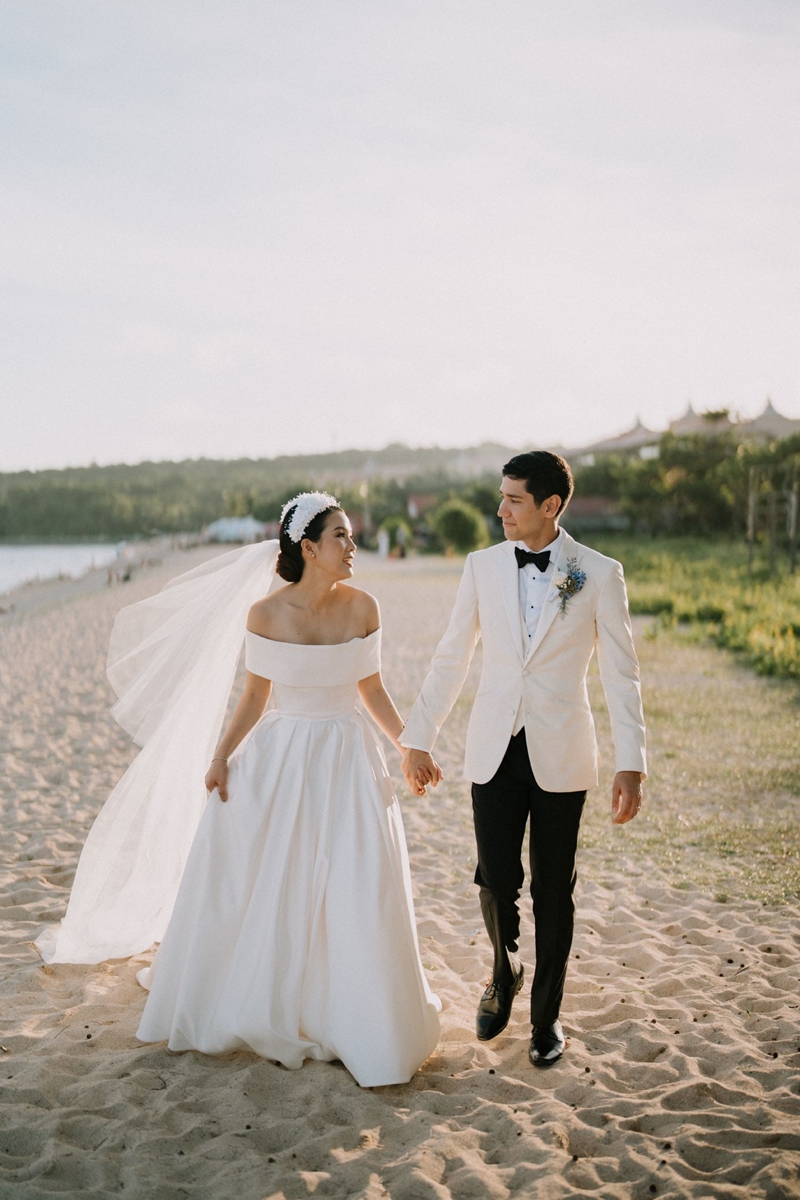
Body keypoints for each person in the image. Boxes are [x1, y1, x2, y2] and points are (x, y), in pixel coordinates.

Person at [36, 492, 440, 1089]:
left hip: (348, 756)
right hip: (281, 757)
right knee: (269, 873)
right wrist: (222, 757)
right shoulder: (264, 615)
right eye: (341, 537)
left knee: (357, 877)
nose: (353, 546)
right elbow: (254, 697)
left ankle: (355, 1006)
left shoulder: (364, 607)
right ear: (308, 547)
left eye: (351, 537)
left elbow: (371, 688)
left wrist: (410, 744)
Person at [400, 451, 646, 1067]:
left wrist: (631, 761)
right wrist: (419, 734)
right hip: (494, 745)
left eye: (514, 499)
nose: (501, 508)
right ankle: (503, 966)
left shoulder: (598, 573)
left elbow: (622, 675)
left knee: (553, 893)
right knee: (495, 878)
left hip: (563, 749)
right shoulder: (481, 567)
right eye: (501, 496)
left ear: (550, 506)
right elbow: (452, 655)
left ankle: (545, 1019)